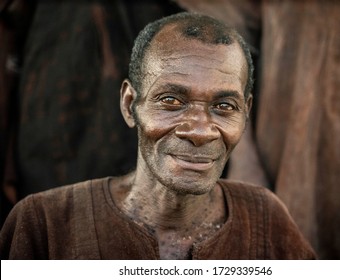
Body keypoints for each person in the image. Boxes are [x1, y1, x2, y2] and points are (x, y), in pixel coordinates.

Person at [0, 12, 316, 260]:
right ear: (129, 105)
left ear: (244, 114)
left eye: (223, 105)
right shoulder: (44, 224)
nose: (199, 131)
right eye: (171, 101)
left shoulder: (267, 220)